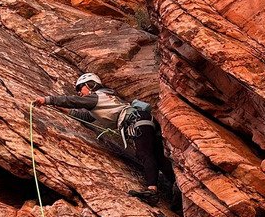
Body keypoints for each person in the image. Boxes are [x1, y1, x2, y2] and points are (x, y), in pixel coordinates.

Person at [33, 73, 168, 203]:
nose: (79, 92)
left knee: (144, 153)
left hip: (136, 121)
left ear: (90, 85)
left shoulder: (95, 97)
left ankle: (152, 191)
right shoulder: (105, 98)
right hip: (143, 119)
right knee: (159, 159)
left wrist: (48, 100)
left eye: (80, 88)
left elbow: (73, 101)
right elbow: (87, 117)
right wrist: (65, 111)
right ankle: (175, 191)